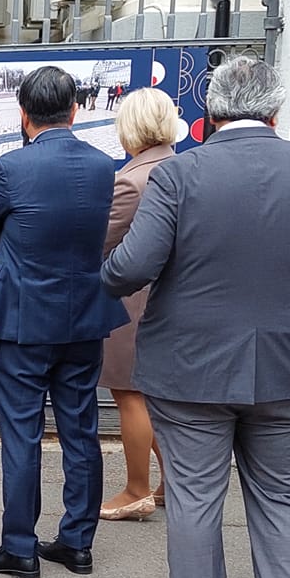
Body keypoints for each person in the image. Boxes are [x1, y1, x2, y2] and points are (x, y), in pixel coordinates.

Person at [101, 55, 290, 578]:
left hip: (188, 368)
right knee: (287, 497)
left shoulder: (180, 174)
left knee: (194, 497)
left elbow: (131, 267)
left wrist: (105, 273)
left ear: (210, 113)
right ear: (275, 110)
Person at [0, 66, 126, 578]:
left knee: (22, 432)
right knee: (81, 430)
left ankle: (20, 547)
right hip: (85, 315)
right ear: (75, 111)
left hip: (25, 318)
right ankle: (78, 543)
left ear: (23, 113)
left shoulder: (11, 167)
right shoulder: (103, 166)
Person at [99, 87, 182, 521]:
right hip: (171, 298)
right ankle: (173, 482)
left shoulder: (132, 181)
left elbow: (103, 242)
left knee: (131, 394)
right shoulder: (183, 167)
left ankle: (136, 489)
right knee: (156, 398)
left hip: (133, 301)